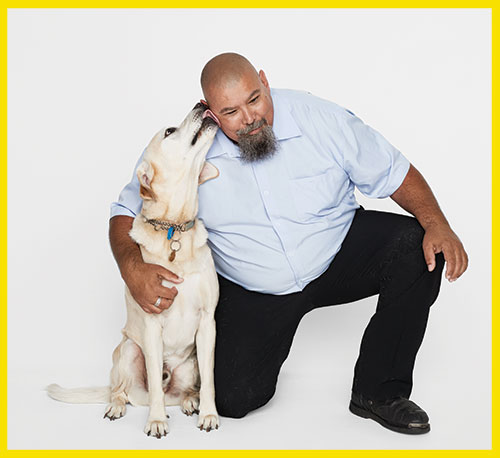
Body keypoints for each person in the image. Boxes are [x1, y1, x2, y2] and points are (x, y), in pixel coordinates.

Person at [109, 53, 468, 434]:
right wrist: (132, 267)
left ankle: (379, 393)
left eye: (254, 99)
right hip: (257, 287)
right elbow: (126, 208)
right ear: (209, 112)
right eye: (230, 111)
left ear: (264, 80)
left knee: (416, 248)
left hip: (334, 252)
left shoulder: (320, 118)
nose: (249, 118)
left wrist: (437, 224)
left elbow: (394, 171)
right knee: (234, 399)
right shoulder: (186, 149)